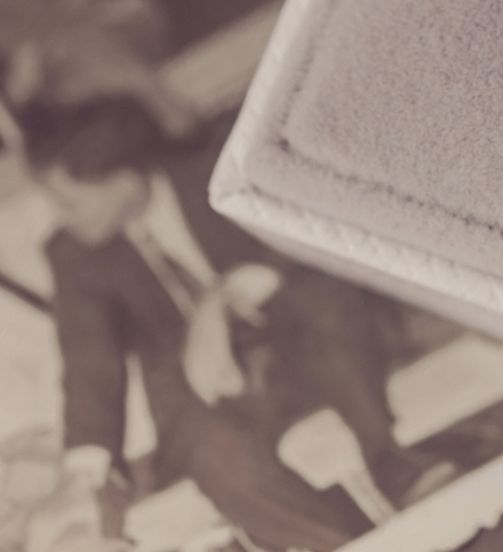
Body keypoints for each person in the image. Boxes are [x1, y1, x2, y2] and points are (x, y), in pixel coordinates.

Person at [20, 96, 454, 552]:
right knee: (208, 450)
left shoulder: (217, 170)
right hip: (207, 386)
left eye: (68, 201)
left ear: (123, 179)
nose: (60, 218)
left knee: (321, 300)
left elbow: (310, 230)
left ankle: (394, 465)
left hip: (306, 345)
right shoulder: (73, 253)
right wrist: (88, 470)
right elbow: (89, 360)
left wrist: (221, 300)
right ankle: (337, 545)